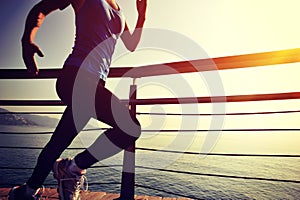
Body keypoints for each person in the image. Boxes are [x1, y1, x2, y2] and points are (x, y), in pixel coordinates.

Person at [9, 0, 147, 199]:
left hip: (96, 85)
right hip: (75, 76)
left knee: (57, 143)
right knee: (130, 127)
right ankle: (72, 168)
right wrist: (26, 41)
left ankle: (27, 191)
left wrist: (141, 15)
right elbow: (42, 8)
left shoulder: (119, 10)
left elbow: (131, 44)